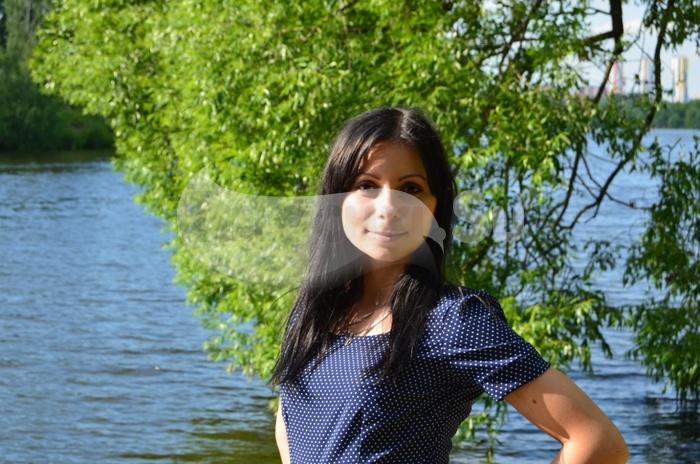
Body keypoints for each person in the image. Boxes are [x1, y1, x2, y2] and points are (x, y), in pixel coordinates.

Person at [267, 107, 628, 464]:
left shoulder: (451, 320)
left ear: (435, 206)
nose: (389, 207)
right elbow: (291, 419)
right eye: (366, 186)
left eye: (411, 188)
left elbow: (598, 442)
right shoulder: (317, 308)